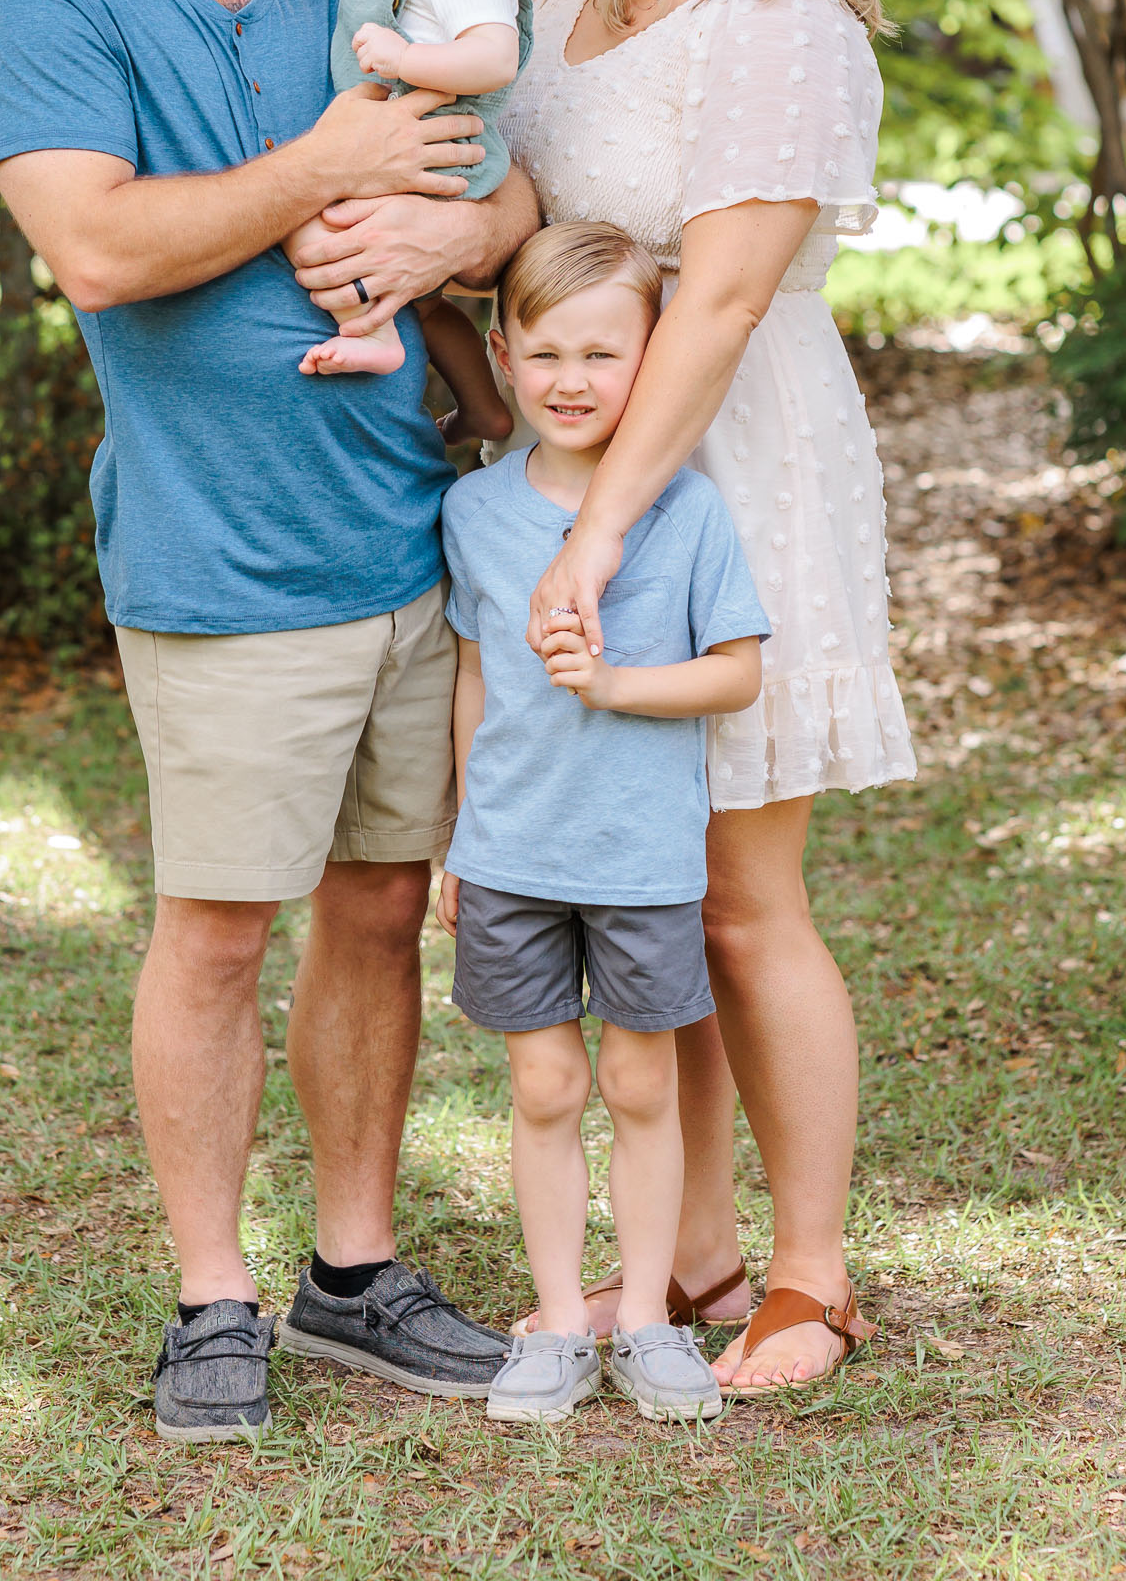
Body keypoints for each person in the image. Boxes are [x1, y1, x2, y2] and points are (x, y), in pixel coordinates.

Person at [0, 0, 538, 1442]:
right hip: (220, 563)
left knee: (376, 913)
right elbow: (105, 250)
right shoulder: (46, 3)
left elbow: (507, 181)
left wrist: (456, 236)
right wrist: (326, 164)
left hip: (407, 541)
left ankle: (351, 1272)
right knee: (216, 931)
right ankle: (212, 1295)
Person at [498, 0, 917, 1392]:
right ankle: (686, 1258)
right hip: (583, 454)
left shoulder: (784, 21)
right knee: (648, 875)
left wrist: (595, 533)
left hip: (735, 464)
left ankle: (807, 1280)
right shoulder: (543, 2)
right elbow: (517, 231)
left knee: (742, 891)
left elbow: (723, 298)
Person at [435, 222, 768, 1426]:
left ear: (652, 358)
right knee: (541, 1083)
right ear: (504, 353)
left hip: (640, 858)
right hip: (513, 853)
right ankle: (560, 1323)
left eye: (604, 352)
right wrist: (457, 837)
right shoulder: (473, 514)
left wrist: (616, 682)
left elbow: (735, 674)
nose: (573, 378)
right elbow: (476, 683)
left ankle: (645, 1319)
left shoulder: (687, 515)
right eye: (548, 351)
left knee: (639, 1080)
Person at [297, 0, 532, 446]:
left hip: (440, 155)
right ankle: (483, 408)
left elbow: (493, 59)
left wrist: (403, 62)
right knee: (426, 303)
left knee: (313, 223)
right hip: (414, 151)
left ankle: (368, 332)